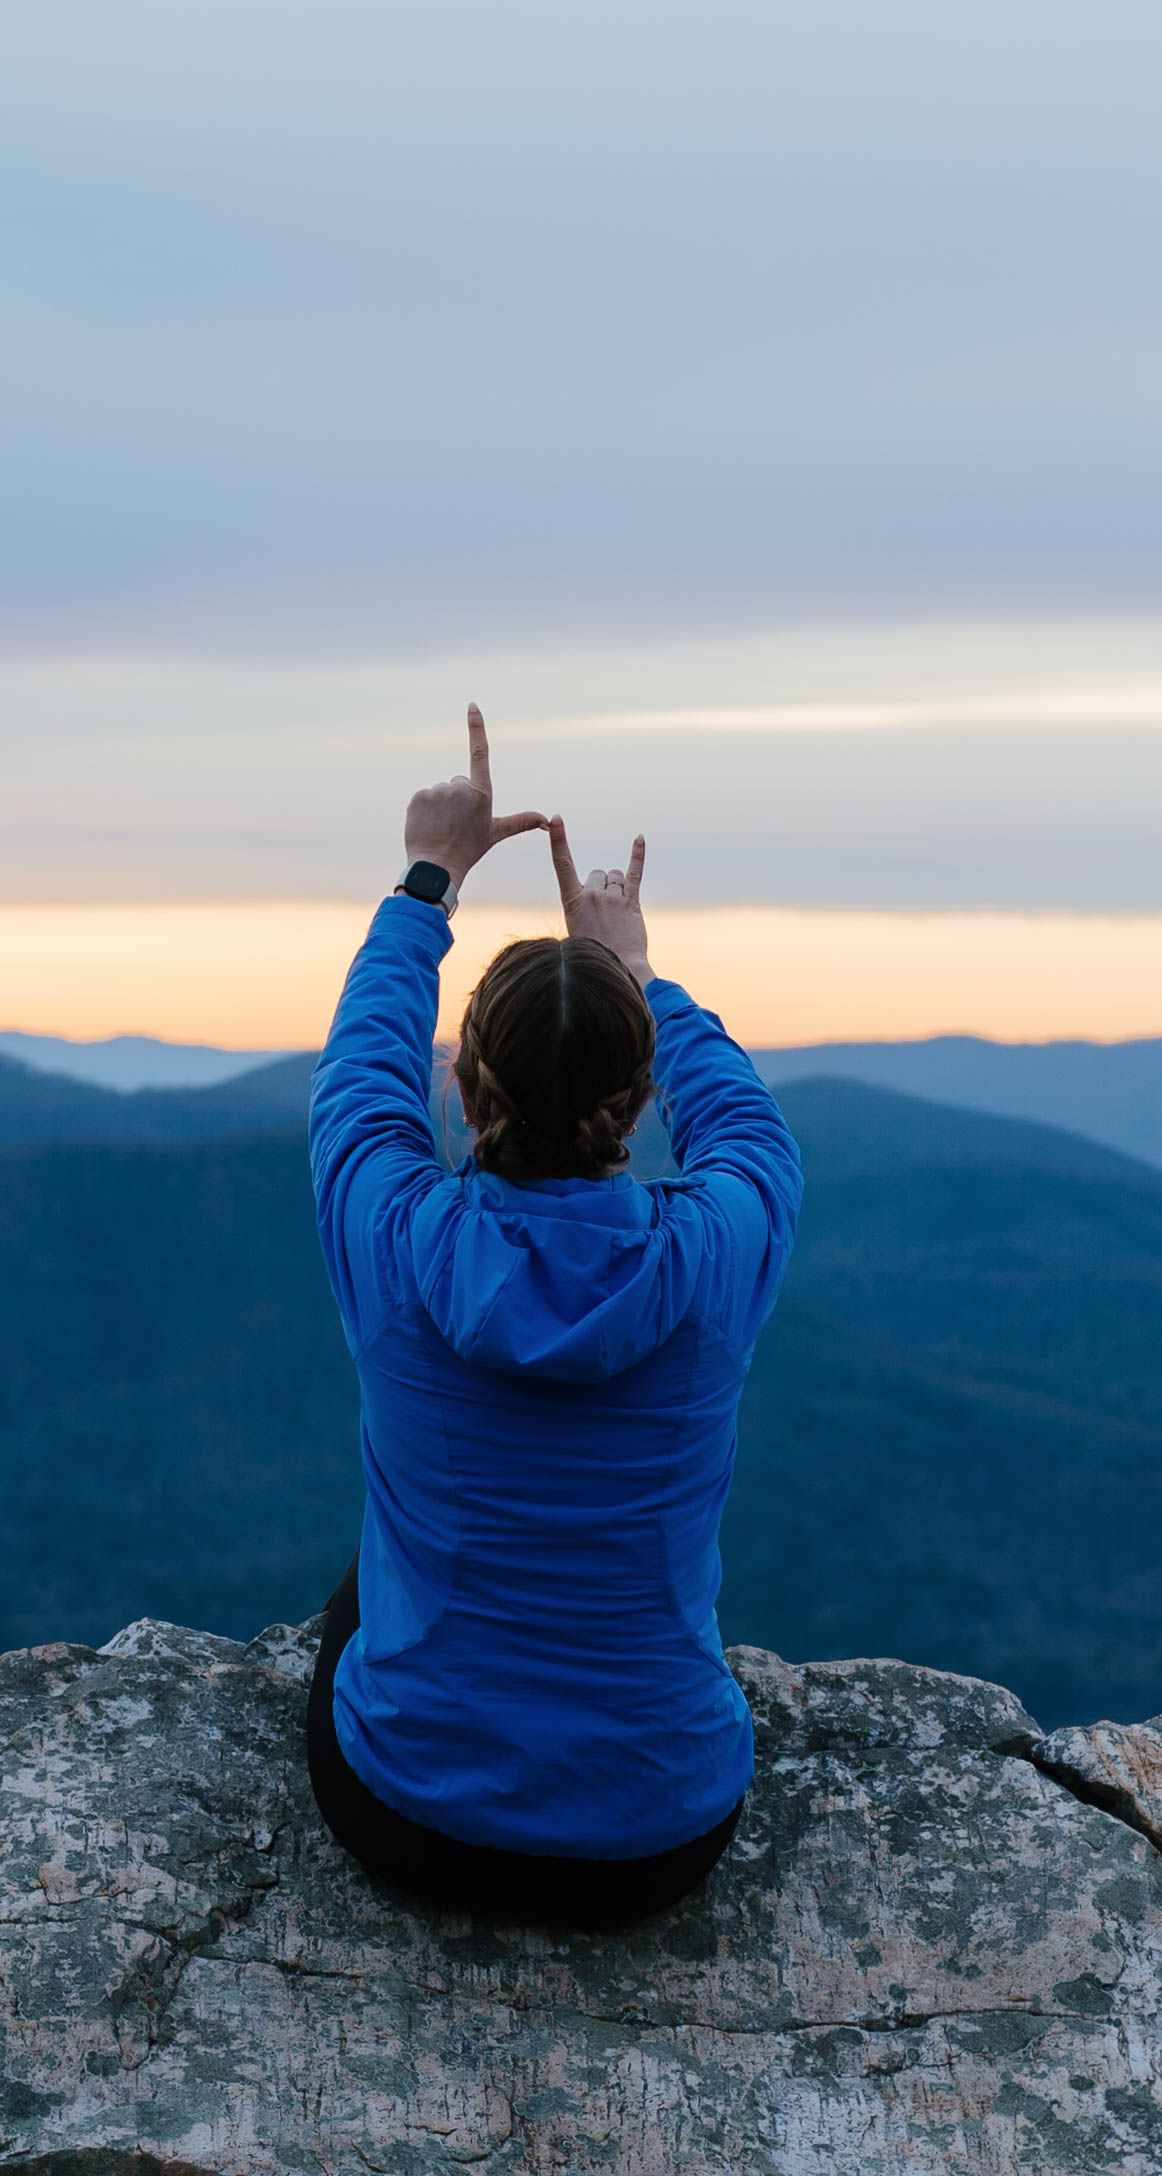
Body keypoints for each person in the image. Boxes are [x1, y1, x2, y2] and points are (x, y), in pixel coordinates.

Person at [306, 703, 804, 1928]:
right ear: (639, 1101)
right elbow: (749, 1133)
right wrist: (639, 973)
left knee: (357, 1595)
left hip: (410, 1815)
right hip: (662, 1833)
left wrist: (429, 879)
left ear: (462, 1084)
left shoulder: (398, 1233)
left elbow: (357, 1084)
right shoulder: (713, 1251)